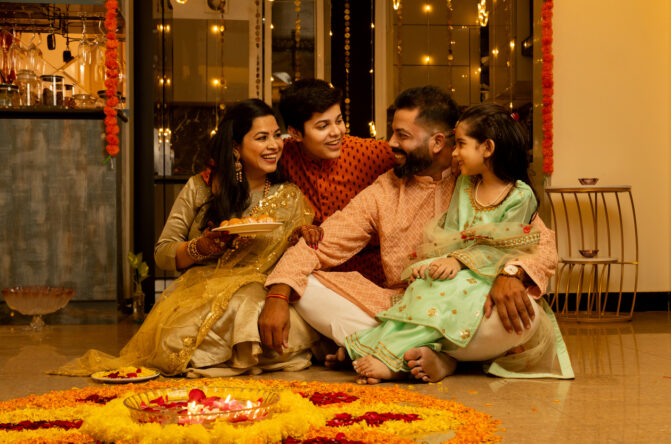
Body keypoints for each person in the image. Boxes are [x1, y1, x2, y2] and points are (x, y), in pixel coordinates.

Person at [260, 86, 574, 383]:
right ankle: (437, 356)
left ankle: (392, 350)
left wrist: (512, 273)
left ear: (437, 142)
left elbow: (542, 243)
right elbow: (325, 240)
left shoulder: (479, 180)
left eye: (402, 135)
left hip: (469, 302)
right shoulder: (385, 189)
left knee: (526, 314)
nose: (391, 144)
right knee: (307, 288)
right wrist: (278, 294)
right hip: (401, 305)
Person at [53, 99, 321, 378]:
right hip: (201, 293)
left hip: (260, 293)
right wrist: (200, 247)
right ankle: (236, 355)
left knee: (247, 306)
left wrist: (303, 236)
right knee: (172, 343)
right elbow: (163, 253)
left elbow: (294, 257)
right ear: (235, 147)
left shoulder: (289, 196)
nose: (274, 145)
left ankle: (232, 354)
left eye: (277, 135)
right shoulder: (201, 187)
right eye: (262, 138)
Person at [345, 103, 544, 383]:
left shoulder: (520, 196)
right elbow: (451, 232)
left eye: (461, 144)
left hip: (487, 276)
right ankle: (395, 350)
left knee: (449, 295)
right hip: (455, 268)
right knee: (423, 286)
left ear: (487, 148)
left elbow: (506, 247)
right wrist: (435, 262)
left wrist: (458, 263)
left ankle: (391, 358)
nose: (454, 153)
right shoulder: (466, 184)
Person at [278, 79, 396, 286]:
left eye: (339, 121)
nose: (337, 132)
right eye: (323, 126)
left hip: (370, 274)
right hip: (311, 272)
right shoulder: (282, 155)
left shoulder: (369, 153)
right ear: (295, 133)